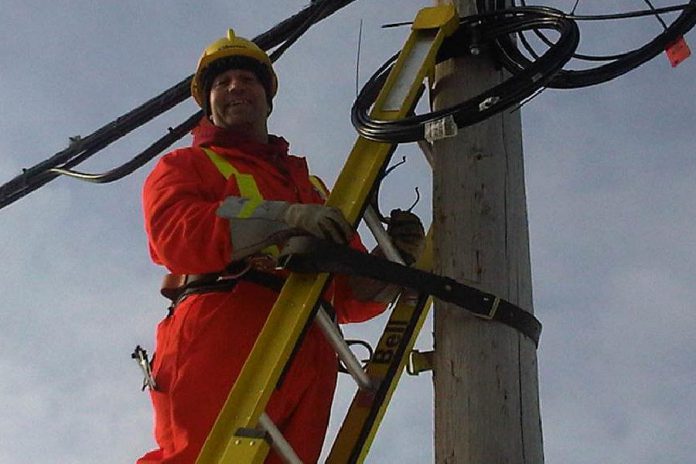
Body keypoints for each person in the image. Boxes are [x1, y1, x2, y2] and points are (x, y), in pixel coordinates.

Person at [137, 29, 425, 464]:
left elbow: (350, 296)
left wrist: (395, 259)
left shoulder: (309, 186)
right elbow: (176, 237)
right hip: (224, 323)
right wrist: (282, 220)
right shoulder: (187, 165)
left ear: (267, 99)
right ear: (207, 103)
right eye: (222, 82)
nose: (235, 86)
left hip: (310, 339)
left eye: (247, 79)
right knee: (202, 457)